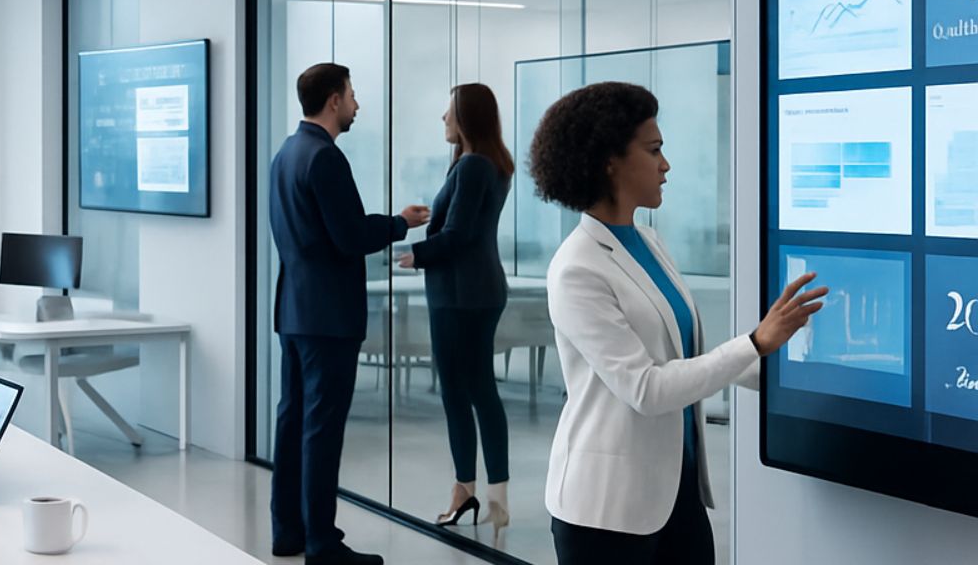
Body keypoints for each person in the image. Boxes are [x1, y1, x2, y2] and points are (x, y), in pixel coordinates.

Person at [529, 81, 827, 564]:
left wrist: (785, 376)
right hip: (607, 511)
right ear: (609, 161)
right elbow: (645, 388)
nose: (665, 165)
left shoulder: (649, 242)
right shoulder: (576, 267)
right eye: (654, 151)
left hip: (676, 491)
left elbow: (684, 362)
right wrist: (754, 343)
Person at [269, 63, 430, 565]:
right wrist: (399, 223)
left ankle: (288, 532)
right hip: (328, 318)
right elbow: (350, 237)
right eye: (353, 96)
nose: (357, 105)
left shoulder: (285, 154)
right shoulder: (325, 158)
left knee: (293, 422)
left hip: (294, 310)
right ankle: (322, 544)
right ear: (334, 100)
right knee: (321, 428)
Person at [396, 83, 513, 533]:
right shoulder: (491, 165)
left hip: (459, 294)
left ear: (468, 119)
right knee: (481, 389)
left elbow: (460, 235)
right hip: (479, 291)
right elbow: (467, 229)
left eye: (449, 112)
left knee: (457, 394)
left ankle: (465, 491)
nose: (444, 119)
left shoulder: (471, 166)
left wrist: (415, 255)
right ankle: (495, 497)